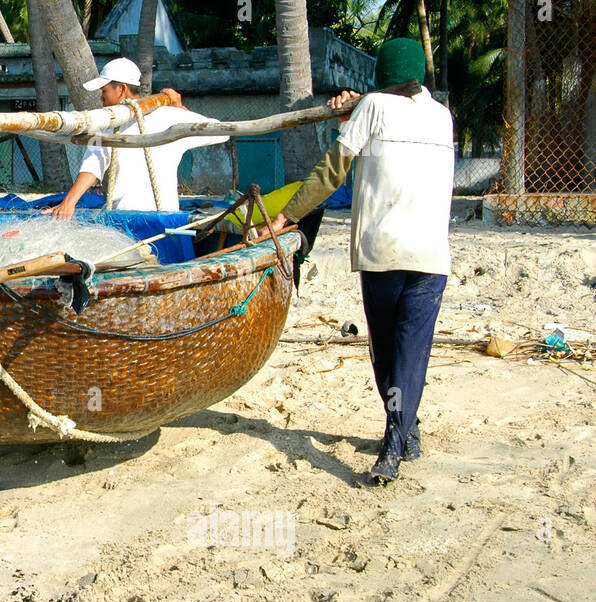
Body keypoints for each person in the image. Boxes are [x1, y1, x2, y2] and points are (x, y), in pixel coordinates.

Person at [256, 38, 454, 485]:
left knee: (385, 348)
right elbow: (396, 119)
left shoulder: (371, 109)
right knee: (412, 351)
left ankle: (394, 445)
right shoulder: (442, 115)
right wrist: (356, 109)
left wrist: (286, 216)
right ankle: (407, 430)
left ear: (379, 77)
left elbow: (330, 173)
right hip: (431, 254)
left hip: (383, 253)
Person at [49, 58, 225, 218]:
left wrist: (179, 108)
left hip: (142, 217)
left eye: (104, 91)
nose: (101, 98)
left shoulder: (170, 116)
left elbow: (221, 132)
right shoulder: (108, 124)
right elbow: (93, 164)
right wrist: (69, 203)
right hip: (152, 217)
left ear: (122, 89)